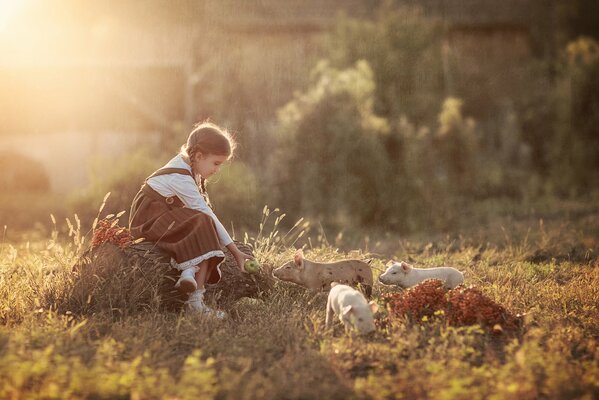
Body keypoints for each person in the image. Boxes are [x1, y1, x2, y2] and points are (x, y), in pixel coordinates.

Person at [128, 121, 252, 318]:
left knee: (202, 223)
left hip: (168, 217)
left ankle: (188, 273)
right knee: (204, 222)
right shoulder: (181, 177)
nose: (217, 170)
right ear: (200, 156)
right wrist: (235, 252)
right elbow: (206, 214)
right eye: (216, 163)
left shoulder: (190, 166)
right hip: (150, 219)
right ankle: (195, 302)